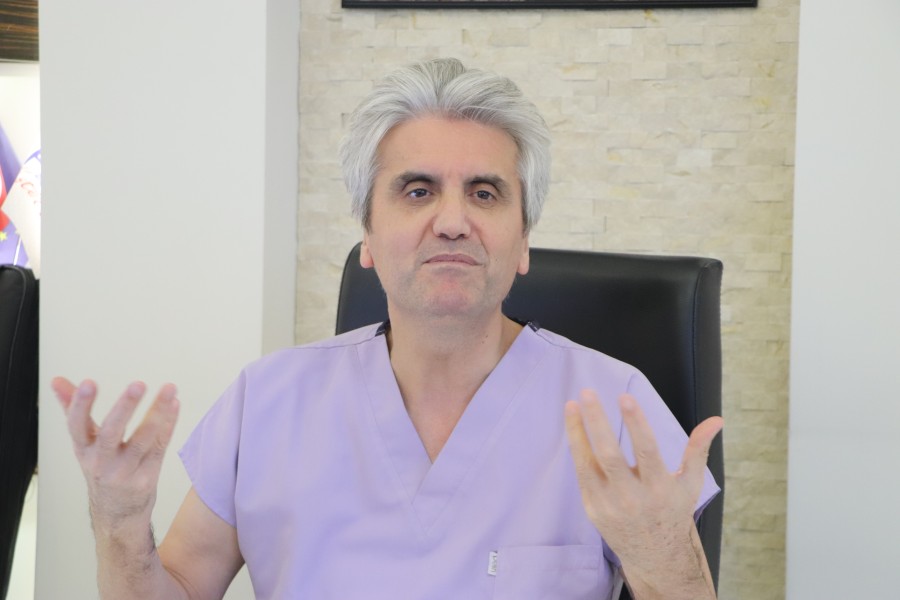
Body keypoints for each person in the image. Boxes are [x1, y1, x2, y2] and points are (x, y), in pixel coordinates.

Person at [53, 58, 723, 600]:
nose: (453, 221)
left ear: (524, 241)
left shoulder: (614, 408)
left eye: (485, 193)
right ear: (368, 236)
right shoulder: (268, 400)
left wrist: (663, 557)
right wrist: (119, 524)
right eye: (417, 190)